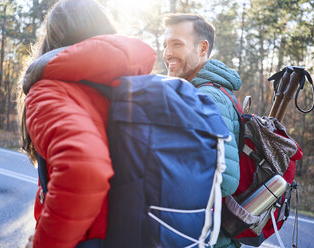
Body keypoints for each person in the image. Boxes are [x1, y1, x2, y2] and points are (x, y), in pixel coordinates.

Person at [17, 0, 156, 247]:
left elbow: (84, 170)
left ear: (52, 39)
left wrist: (45, 243)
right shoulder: (136, 85)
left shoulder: (49, 90)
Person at [163, 13, 242, 248]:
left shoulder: (208, 97)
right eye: (165, 45)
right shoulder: (194, 92)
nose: (167, 53)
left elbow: (225, 180)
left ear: (202, 47)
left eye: (177, 44)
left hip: (206, 239)